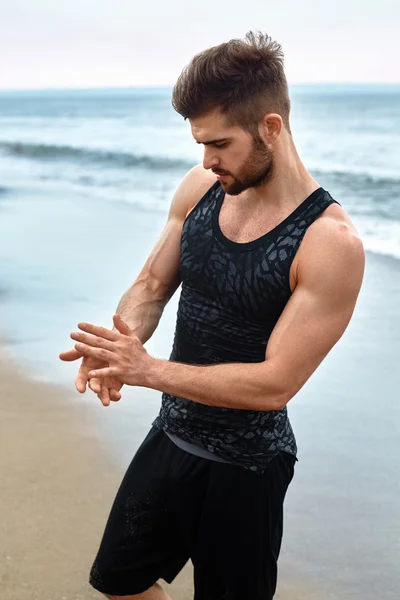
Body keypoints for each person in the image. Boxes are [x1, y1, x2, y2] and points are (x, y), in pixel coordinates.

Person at [59, 31, 365, 600]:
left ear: (270, 127)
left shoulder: (329, 243)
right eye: (200, 142)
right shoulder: (201, 189)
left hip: (246, 468)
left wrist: (146, 370)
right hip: (171, 436)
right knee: (119, 583)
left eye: (220, 143)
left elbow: (275, 384)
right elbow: (152, 284)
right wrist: (120, 347)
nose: (207, 159)